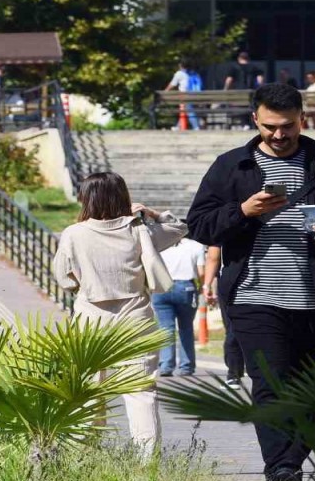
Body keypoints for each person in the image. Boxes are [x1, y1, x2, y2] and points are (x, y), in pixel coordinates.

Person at [186, 83, 315, 481]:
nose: (280, 135)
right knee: (271, 384)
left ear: (302, 119)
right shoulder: (233, 167)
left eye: (289, 126)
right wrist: (242, 211)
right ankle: (282, 471)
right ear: (255, 120)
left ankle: (289, 460)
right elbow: (199, 224)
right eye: (271, 127)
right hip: (253, 296)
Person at [53, 172, 186, 453]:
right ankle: (146, 459)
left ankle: (84, 453)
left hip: (91, 320)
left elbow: (64, 280)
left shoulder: (74, 234)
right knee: (141, 393)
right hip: (135, 318)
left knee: (89, 391)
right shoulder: (138, 230)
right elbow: (179, 228)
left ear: (85, 198)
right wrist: (150, 212)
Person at [155, 234, 206, 377]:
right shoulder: (196, 246)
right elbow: (201, 273)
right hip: (186, 288)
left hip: (162, 287)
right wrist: (201, 287)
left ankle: (166, 365)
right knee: (186, 328)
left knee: (165, 329)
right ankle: (186, 366)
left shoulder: (159, 245)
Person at [202, 246, 243, 389]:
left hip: (231, 281)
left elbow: (213, 257)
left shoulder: (225, 224)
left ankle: (234, 375)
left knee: (232, 329)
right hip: (263, 280)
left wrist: (206, 286)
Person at [164, 58, 203, 130]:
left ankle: (196, 126)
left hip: (184, 95)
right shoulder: (193, 73)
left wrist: (165, 91)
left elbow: (172, 84)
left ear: (180, 65)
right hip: (194, 94)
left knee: (189, 110)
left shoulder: (179, 73)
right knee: (185, 110)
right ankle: (178, 126)